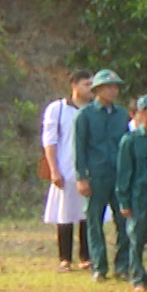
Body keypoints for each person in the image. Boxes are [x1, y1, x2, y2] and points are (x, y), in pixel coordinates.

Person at [72, 69, 131, 282]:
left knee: (124, 220)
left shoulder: (122, 114)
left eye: (115, 87)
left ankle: (122, 265)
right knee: (94, 222)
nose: (113, 91)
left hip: (119, 175)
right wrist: (81, 177)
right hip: (96, 175)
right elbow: (78, 148)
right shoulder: (84, 115)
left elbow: (127, 145)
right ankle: (99, 266)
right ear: (97, 90)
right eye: (108, 87)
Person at [42, 70, 92, 271]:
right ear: (74, 85)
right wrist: (54, 169)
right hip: (65, 168)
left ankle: (86, 256)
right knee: (65, 214)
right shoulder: (58, 109)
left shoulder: (93, 110)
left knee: (87, 214)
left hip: (88, 170)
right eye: (86, 84)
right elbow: (50, 140)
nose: (90, 89)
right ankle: (65, 258)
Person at [116, 93, 147, 292]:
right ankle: (137, 277)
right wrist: (124, 201)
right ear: (142, 113)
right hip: (139, 197)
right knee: (137, 238)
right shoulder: (130, 140)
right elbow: (124, 173)